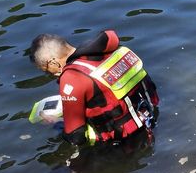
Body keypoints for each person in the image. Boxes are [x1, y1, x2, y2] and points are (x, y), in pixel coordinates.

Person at [29, 30, 159, 146]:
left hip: (120, 142)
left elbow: (76, 137)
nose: (50, 74)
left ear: (53, 62)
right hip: (149, 120)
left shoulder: (72, 77)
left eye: (47, 71)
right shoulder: (116, 51)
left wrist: (56, 122)